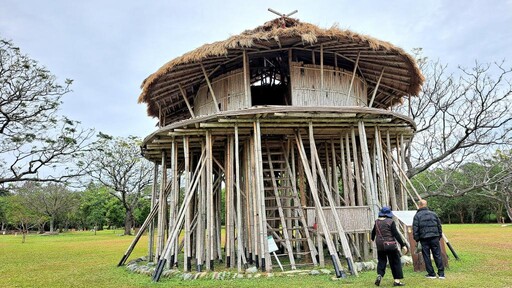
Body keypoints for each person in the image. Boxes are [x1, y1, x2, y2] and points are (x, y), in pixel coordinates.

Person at [371, 206, 408, 287]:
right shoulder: (390, 222)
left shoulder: (376, 222)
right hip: (390, 245)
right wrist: (403, 245)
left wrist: (373, 239)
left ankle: (380, 274)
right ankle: (397, 281)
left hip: (380, 245)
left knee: (381, 261)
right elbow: (396, 234)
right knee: (395, 262)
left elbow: (373, 233)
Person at [412, 199, 445, 279]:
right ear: (426, 205)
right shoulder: (434, 214)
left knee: (426, 256)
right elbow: (439, 226)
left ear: (419, 205)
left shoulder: (417, 216)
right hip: (435, 237)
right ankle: (441, 274)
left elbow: (415, 228)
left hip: (424, 238)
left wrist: (417, 239)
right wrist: (439, 236)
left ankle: (431, 273)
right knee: (437, 254)